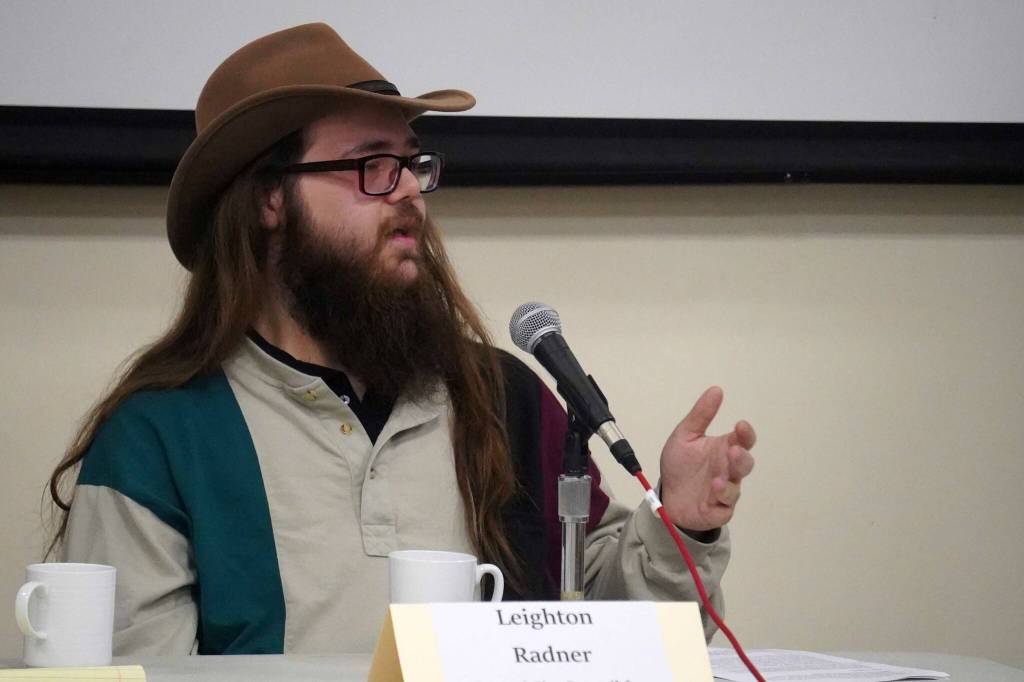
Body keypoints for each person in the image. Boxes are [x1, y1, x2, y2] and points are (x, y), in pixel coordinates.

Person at [47, 23, 757, 655]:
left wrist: (681, 529)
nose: (409, 194)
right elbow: (138, 672)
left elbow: (606, 635)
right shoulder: (161, 438)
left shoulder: (499, 396)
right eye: (370, 167)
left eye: (412, 164)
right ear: (268, 197)